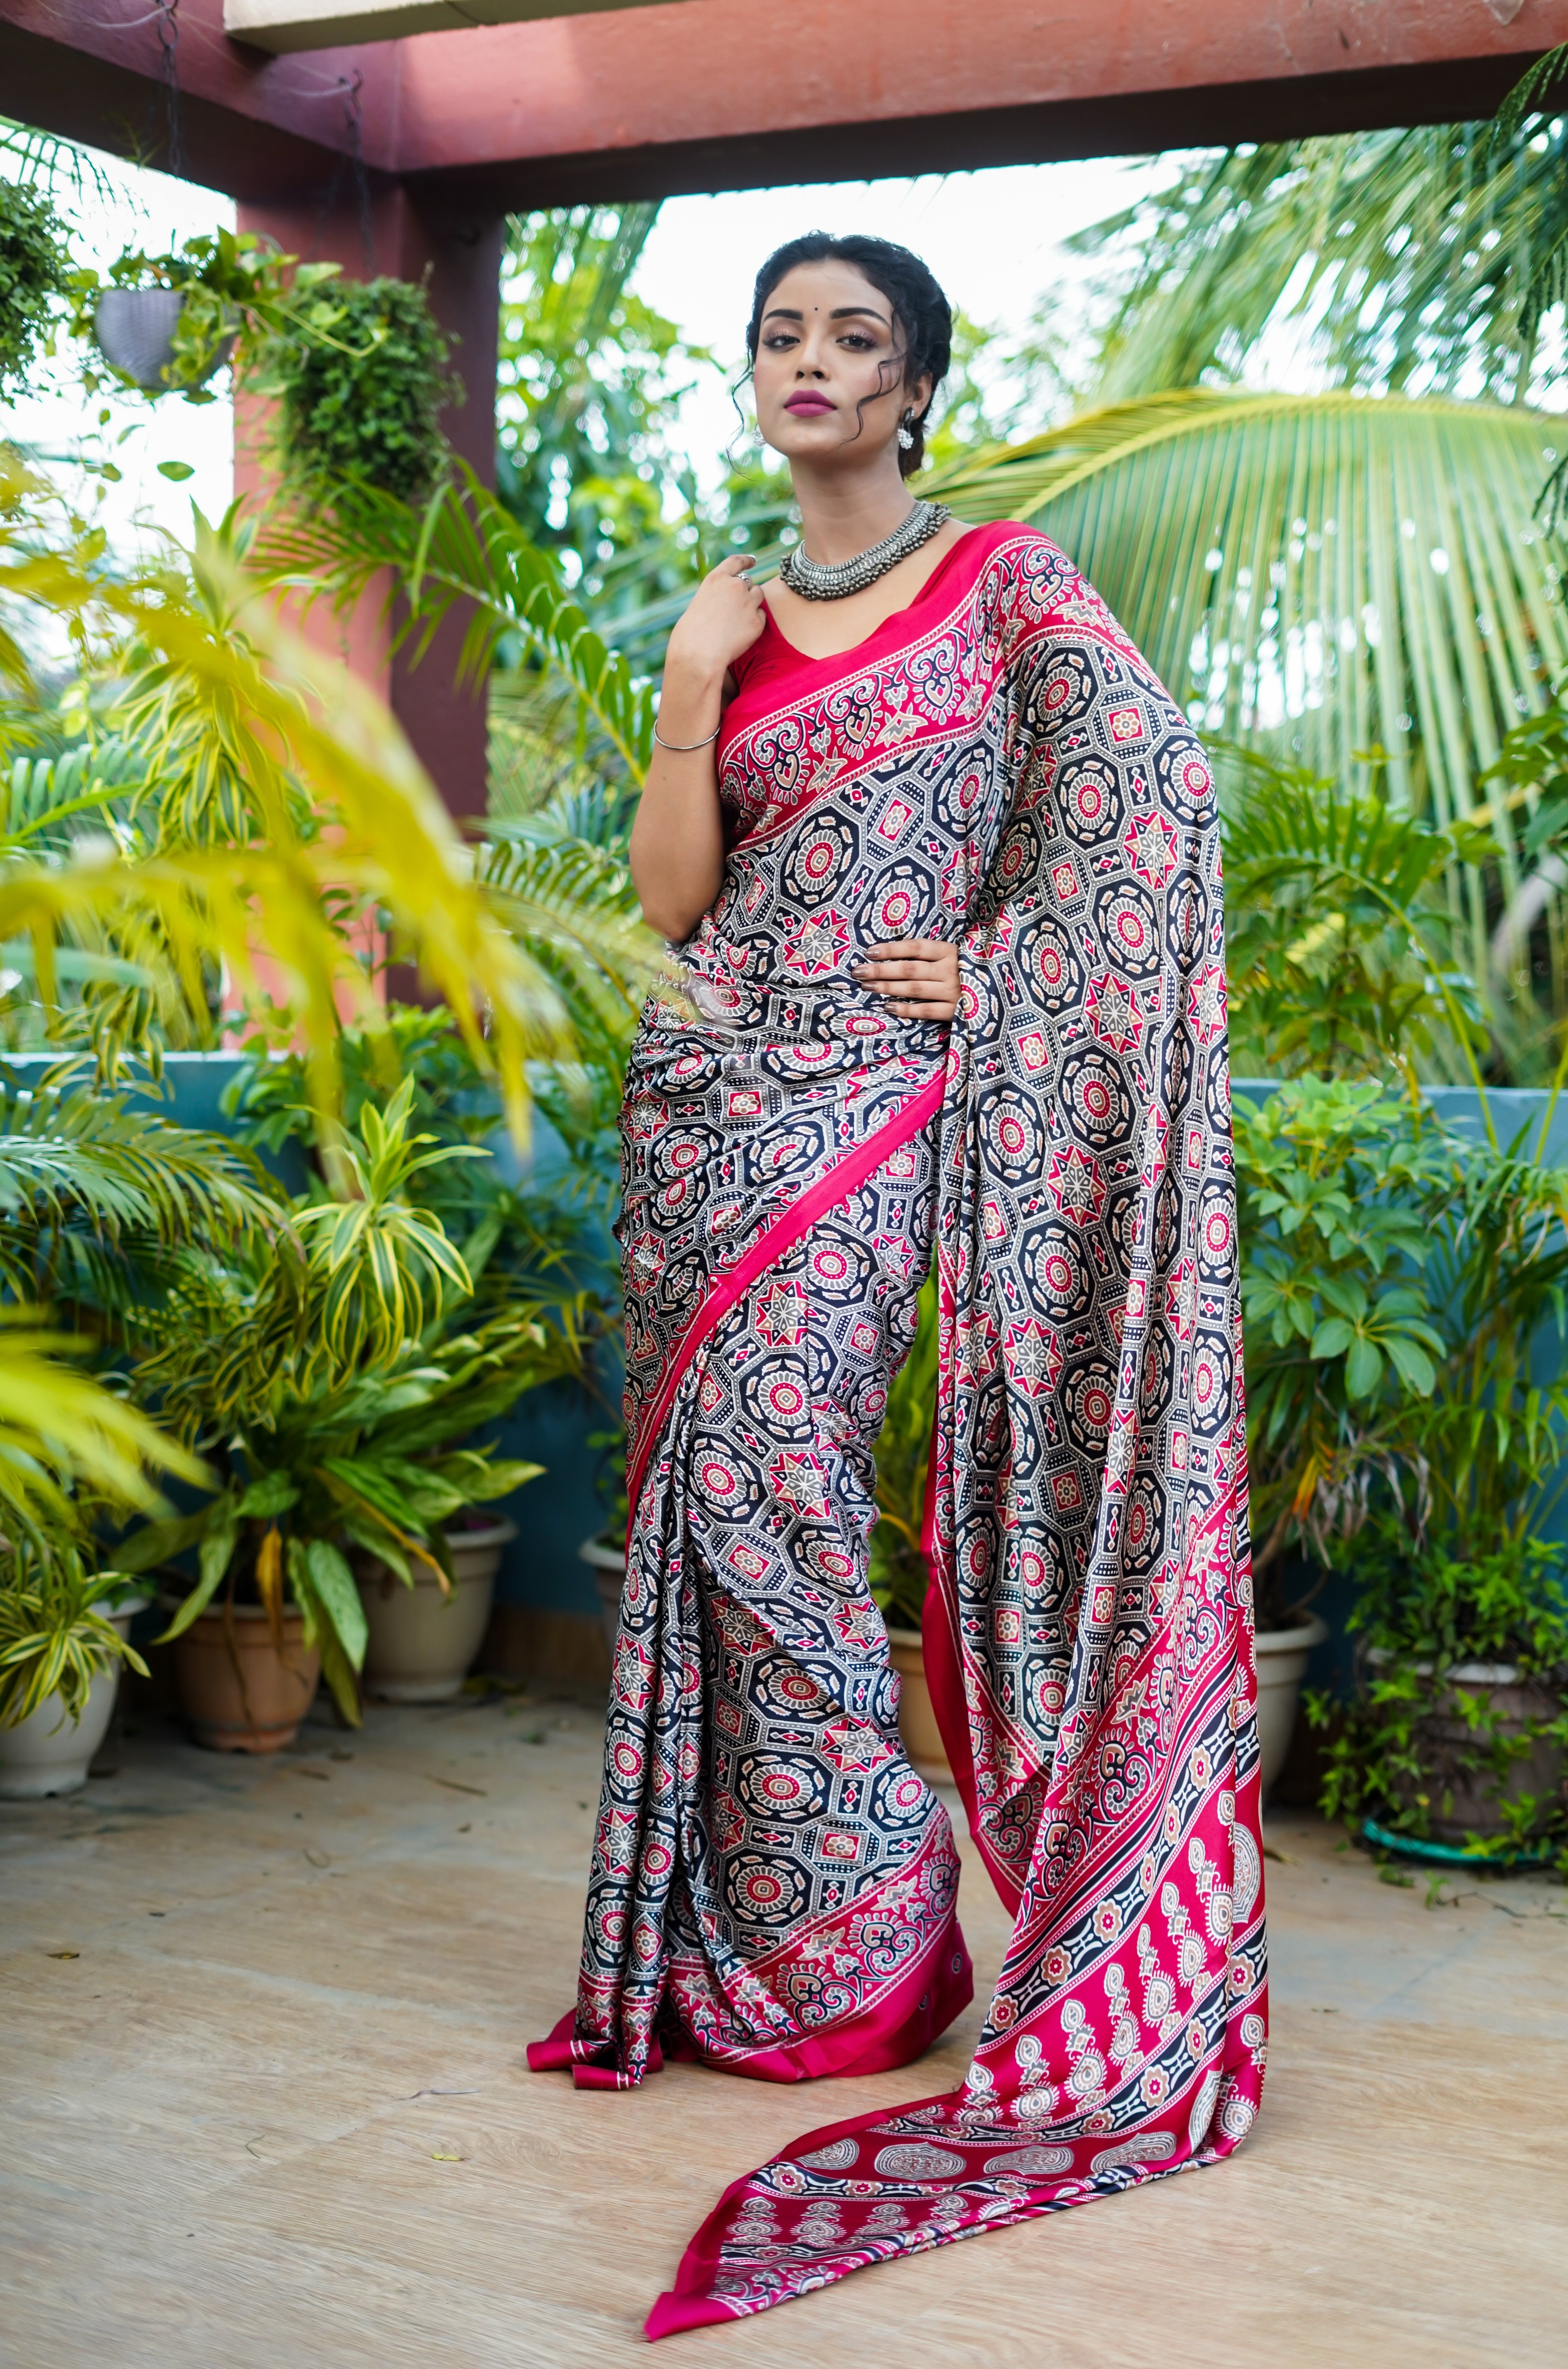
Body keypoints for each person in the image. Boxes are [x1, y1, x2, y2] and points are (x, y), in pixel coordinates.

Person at [530, 232, 1266, 2337]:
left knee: (774, 1497)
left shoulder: (1009, 585)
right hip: (707, 1094)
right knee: (689, 1518)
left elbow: (1155, 812)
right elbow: (680, 902)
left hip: (879, 1099)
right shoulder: (730, 616)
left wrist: (1010, 959)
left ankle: (878, 1944)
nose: (813, 362)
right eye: (782, 335)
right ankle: (761, 1962)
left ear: (919, 381)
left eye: (857, 335)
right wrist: (687, 697)